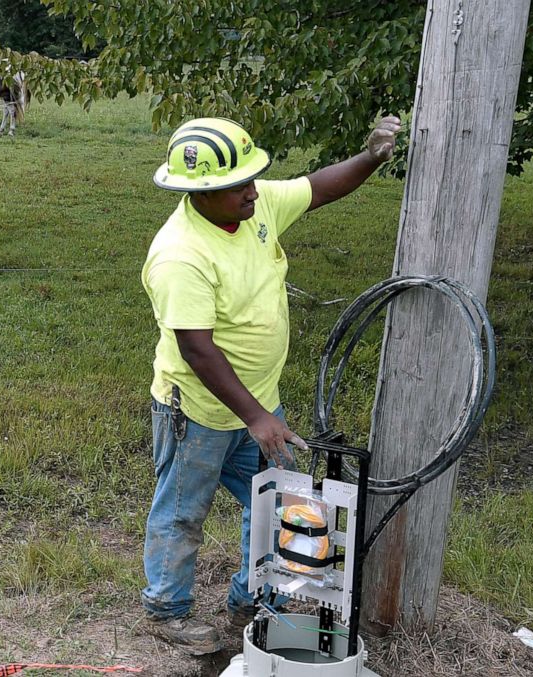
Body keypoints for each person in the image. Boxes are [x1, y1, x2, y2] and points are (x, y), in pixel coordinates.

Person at [140, 114, 401, 655]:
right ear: (201, 191)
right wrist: (256, 416)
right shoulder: (180, 254)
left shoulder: (254, 209)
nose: (253, 190)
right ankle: (166, 609)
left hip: (259, 404)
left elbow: (318, 187)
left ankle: (252, 598)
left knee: (277, 502)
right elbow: (197, 349)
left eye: (252, 177)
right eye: (239, 184)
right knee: (183, 508)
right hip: (198, 412)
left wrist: (370, 156)